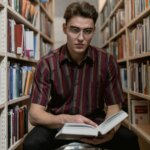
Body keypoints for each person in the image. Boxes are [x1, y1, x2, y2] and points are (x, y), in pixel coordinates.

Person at [23, 1, 140, 150]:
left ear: (94, 31)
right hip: (58, 125)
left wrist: (111, 131)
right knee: (32, 144)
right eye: (74, 30)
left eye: (87, 31)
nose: (80, 37)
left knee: (129, 140)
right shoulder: (47, 63)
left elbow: (114, 108)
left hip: (94, 125)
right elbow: (34, 114)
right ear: (64, 28)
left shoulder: (107, 61)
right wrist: (66, 119)